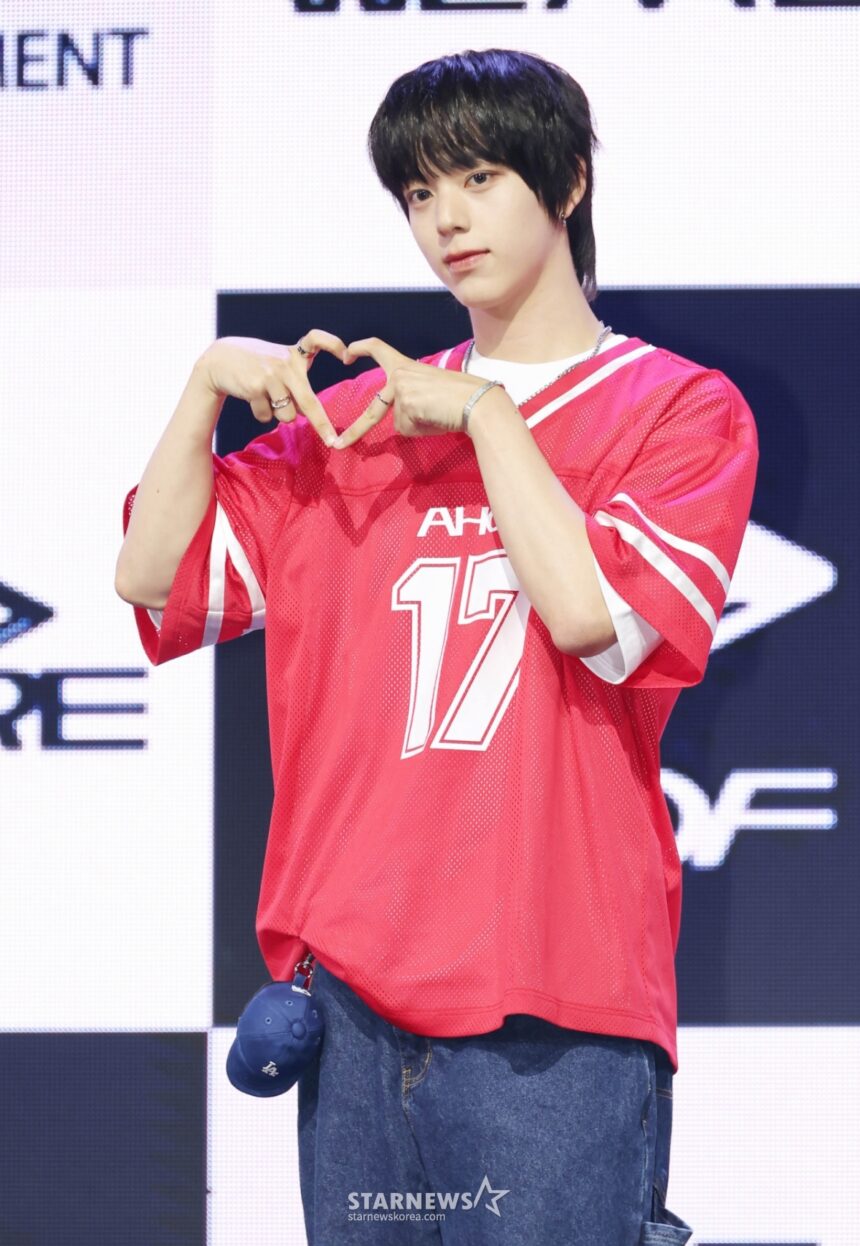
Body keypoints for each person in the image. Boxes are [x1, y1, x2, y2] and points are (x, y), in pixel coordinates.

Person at [115, 47, 757, 1245]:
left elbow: (593, 618)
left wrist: (483, 413)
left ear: (566, 182)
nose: (445, 220)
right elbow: (152, 577)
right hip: (350, 1001)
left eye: (476, 178)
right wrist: (203, 388)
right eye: (418, 193)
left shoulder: (678, 409)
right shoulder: (355, 422)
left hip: (552, 996)